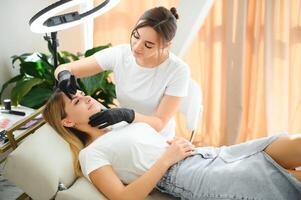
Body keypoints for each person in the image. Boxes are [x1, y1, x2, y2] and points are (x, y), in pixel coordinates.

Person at [43, 90, 301, 200]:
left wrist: (125, 114)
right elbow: (122, 198)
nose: (84, 97)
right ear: (67, 122)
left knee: (289, 144)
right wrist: (167, 158)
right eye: (75, 102)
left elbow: (155, 125)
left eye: (80, 94)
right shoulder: (91, 154)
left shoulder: (118, 124)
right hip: (188, 175)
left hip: (206, 154)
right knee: (286, 179)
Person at [54, 6, 190, 139]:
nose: (136, 47)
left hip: (156, 138)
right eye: (136, 36)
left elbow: (159, 123)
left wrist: (128, 115)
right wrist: (64, 76)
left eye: (148, 45)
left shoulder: (178, 71)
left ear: (166, 45)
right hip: (125, 132)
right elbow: (65, 68)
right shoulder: (121, 54)